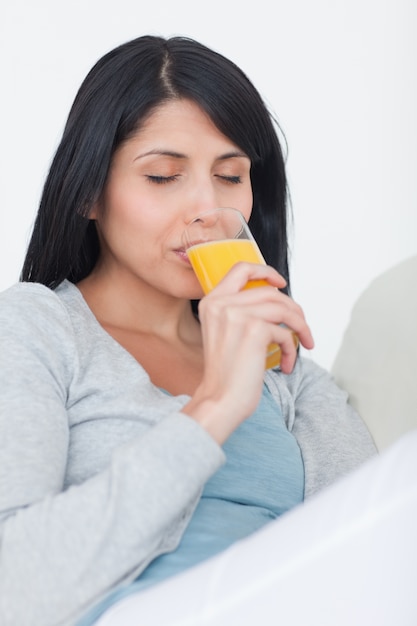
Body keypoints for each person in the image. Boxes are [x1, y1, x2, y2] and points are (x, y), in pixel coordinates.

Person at [0, 35, 414, 626]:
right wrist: (216, 405)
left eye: (230, 175)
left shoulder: (285, 366)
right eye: (164, 176)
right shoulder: (34, 328)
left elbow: (364, 555)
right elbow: (15, 589)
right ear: (91, 191)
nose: (205, 206)